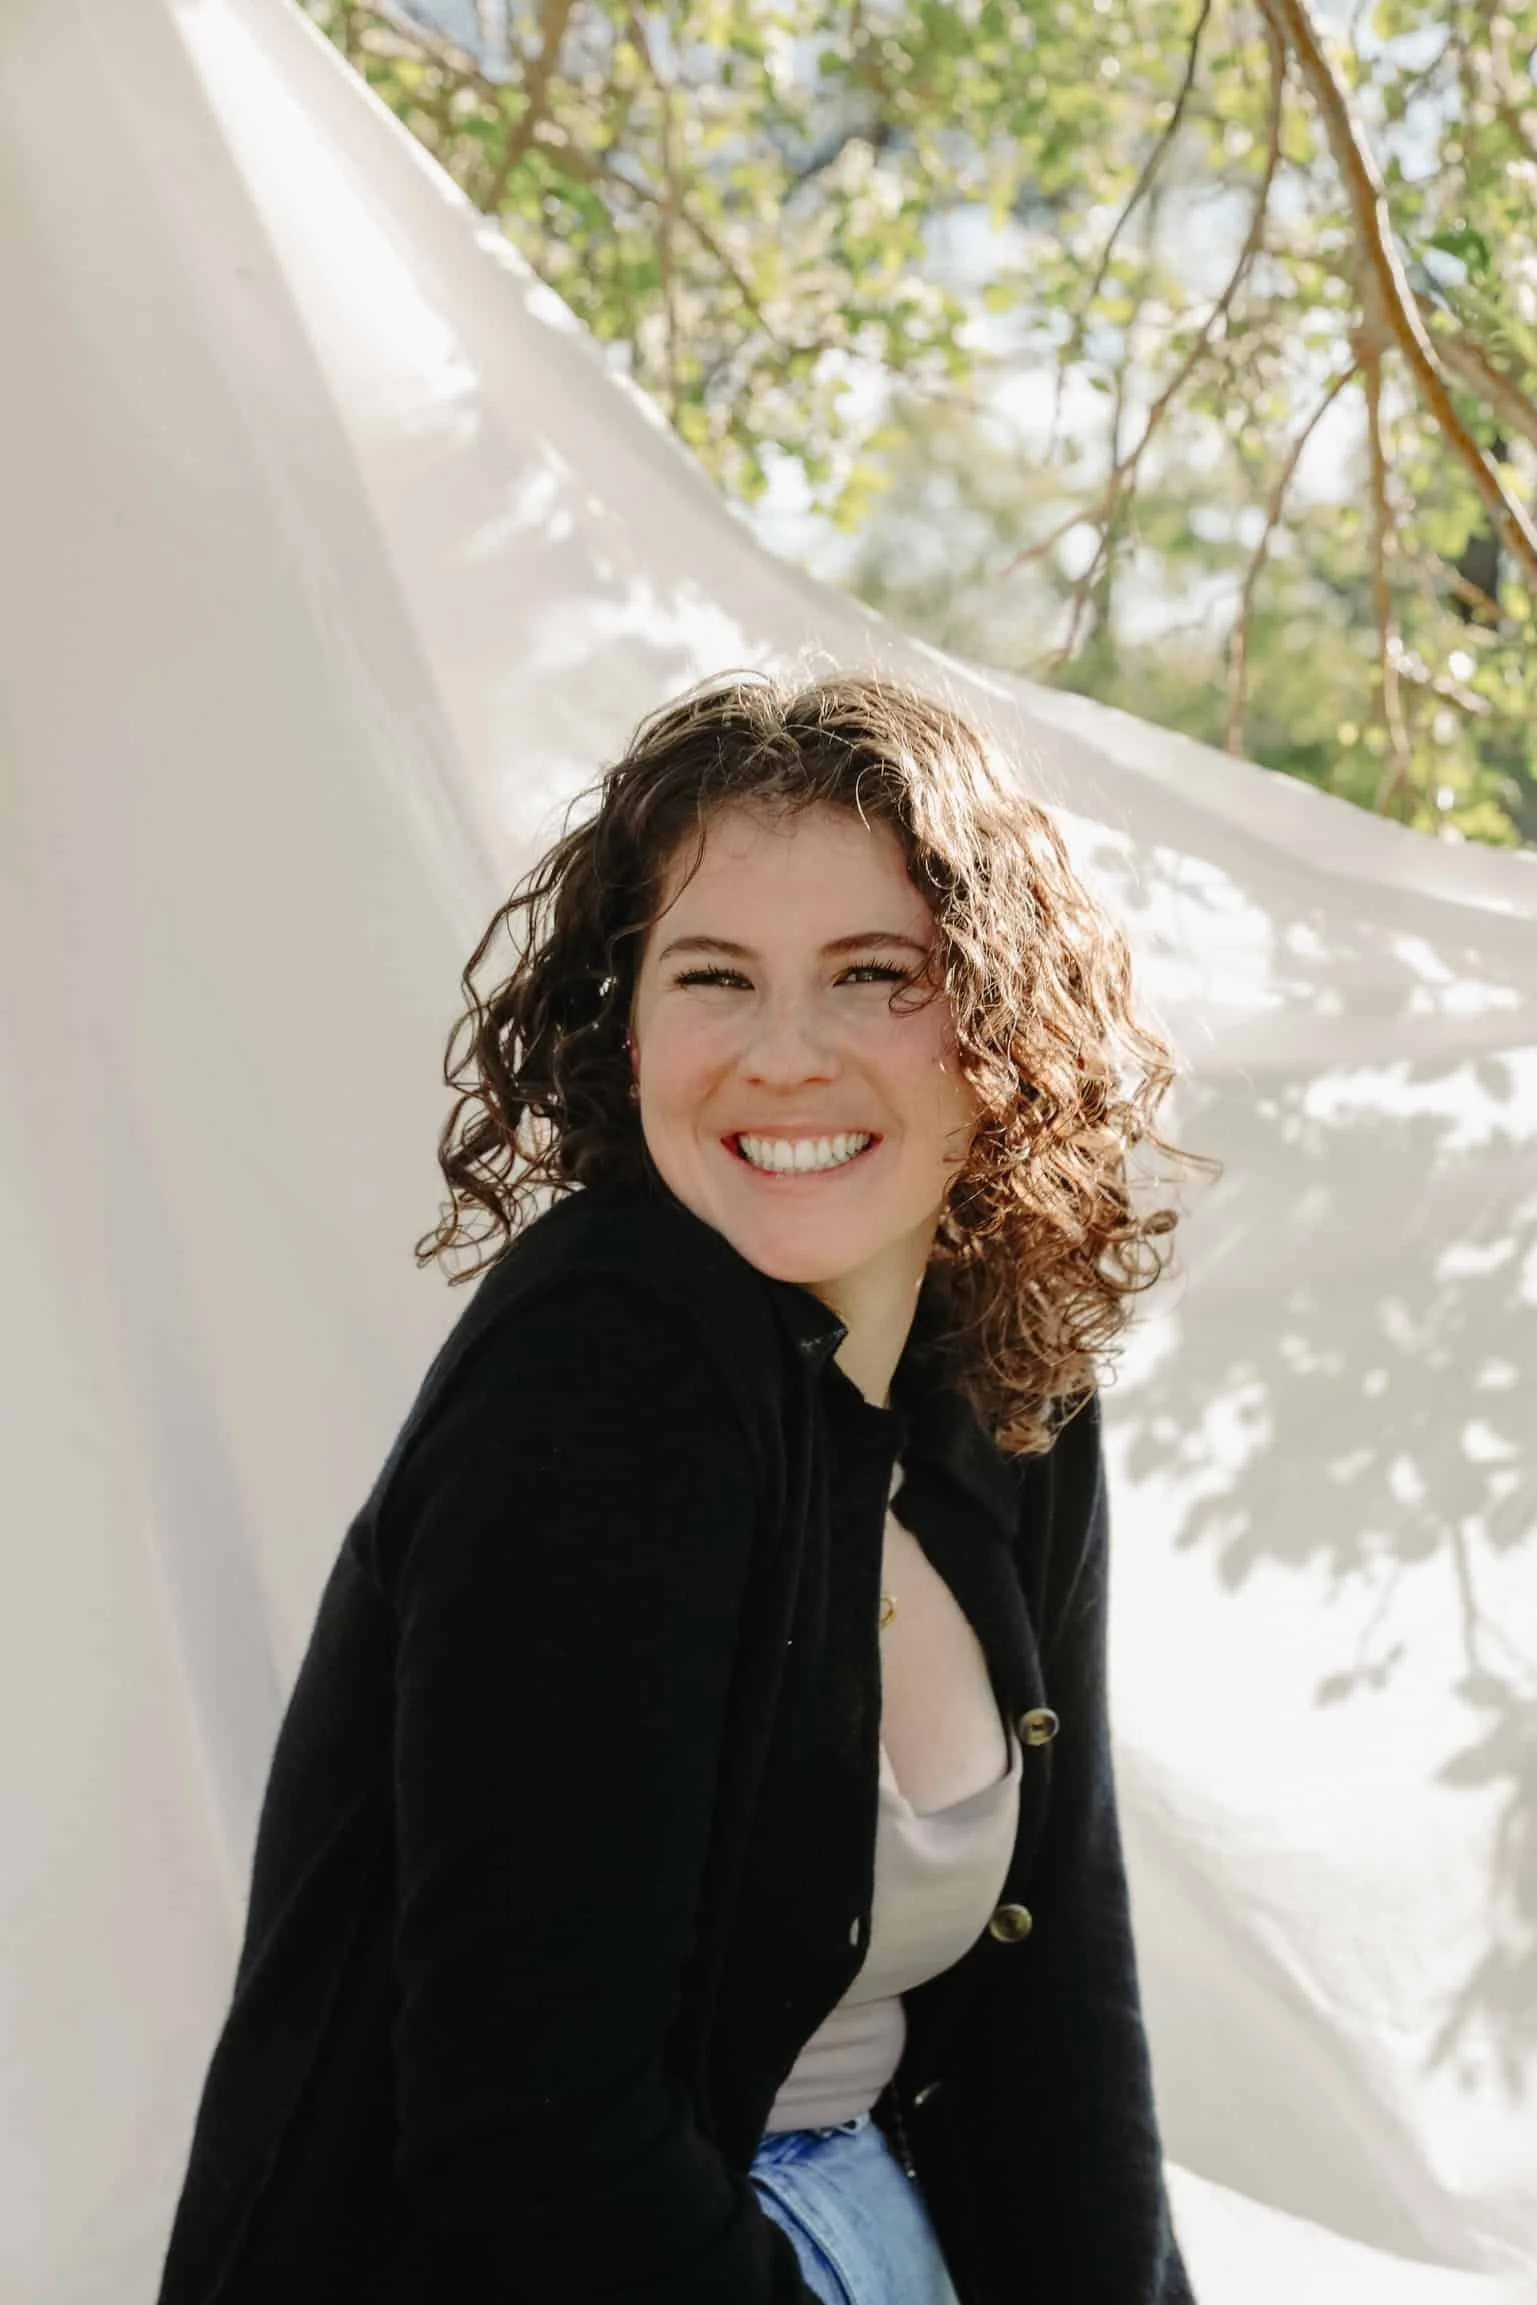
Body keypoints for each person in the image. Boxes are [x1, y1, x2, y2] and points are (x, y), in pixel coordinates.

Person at [155, 668, 1216, 2305]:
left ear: (998, 1021)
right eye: (716, 976)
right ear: (627, 1021)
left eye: (877, 977)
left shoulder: (1003, 1380)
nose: (785, 1058)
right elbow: (536, 2136)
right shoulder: (609, 1363)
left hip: (859, 2219)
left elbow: (1063, 2003)